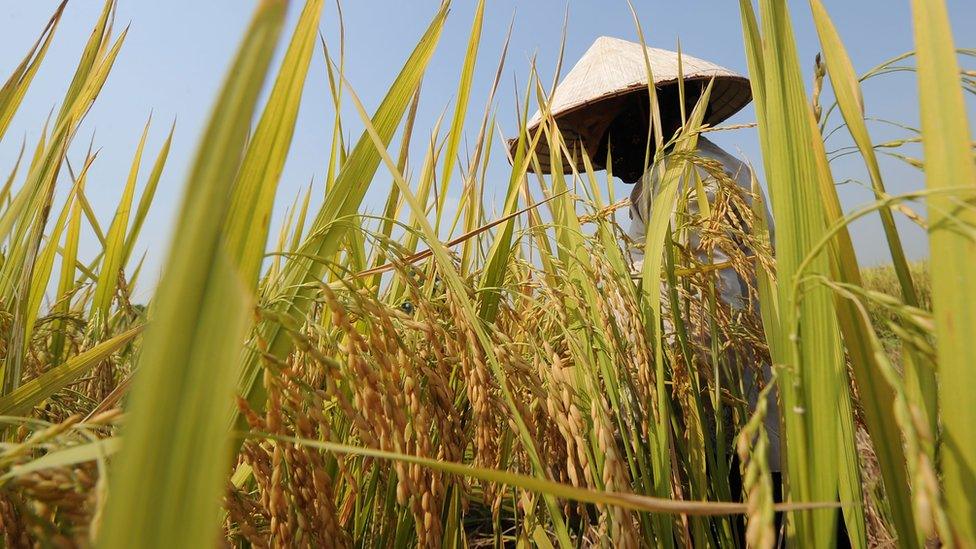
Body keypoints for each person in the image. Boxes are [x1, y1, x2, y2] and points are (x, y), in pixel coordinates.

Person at [511, 35, 782, 486]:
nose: (597, 153)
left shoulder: (690, 176)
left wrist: (605, 352)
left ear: (643, 112)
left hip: (743, 435)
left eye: (599, 131)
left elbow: (705, 313)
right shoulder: (668, 179)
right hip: (725, 430)